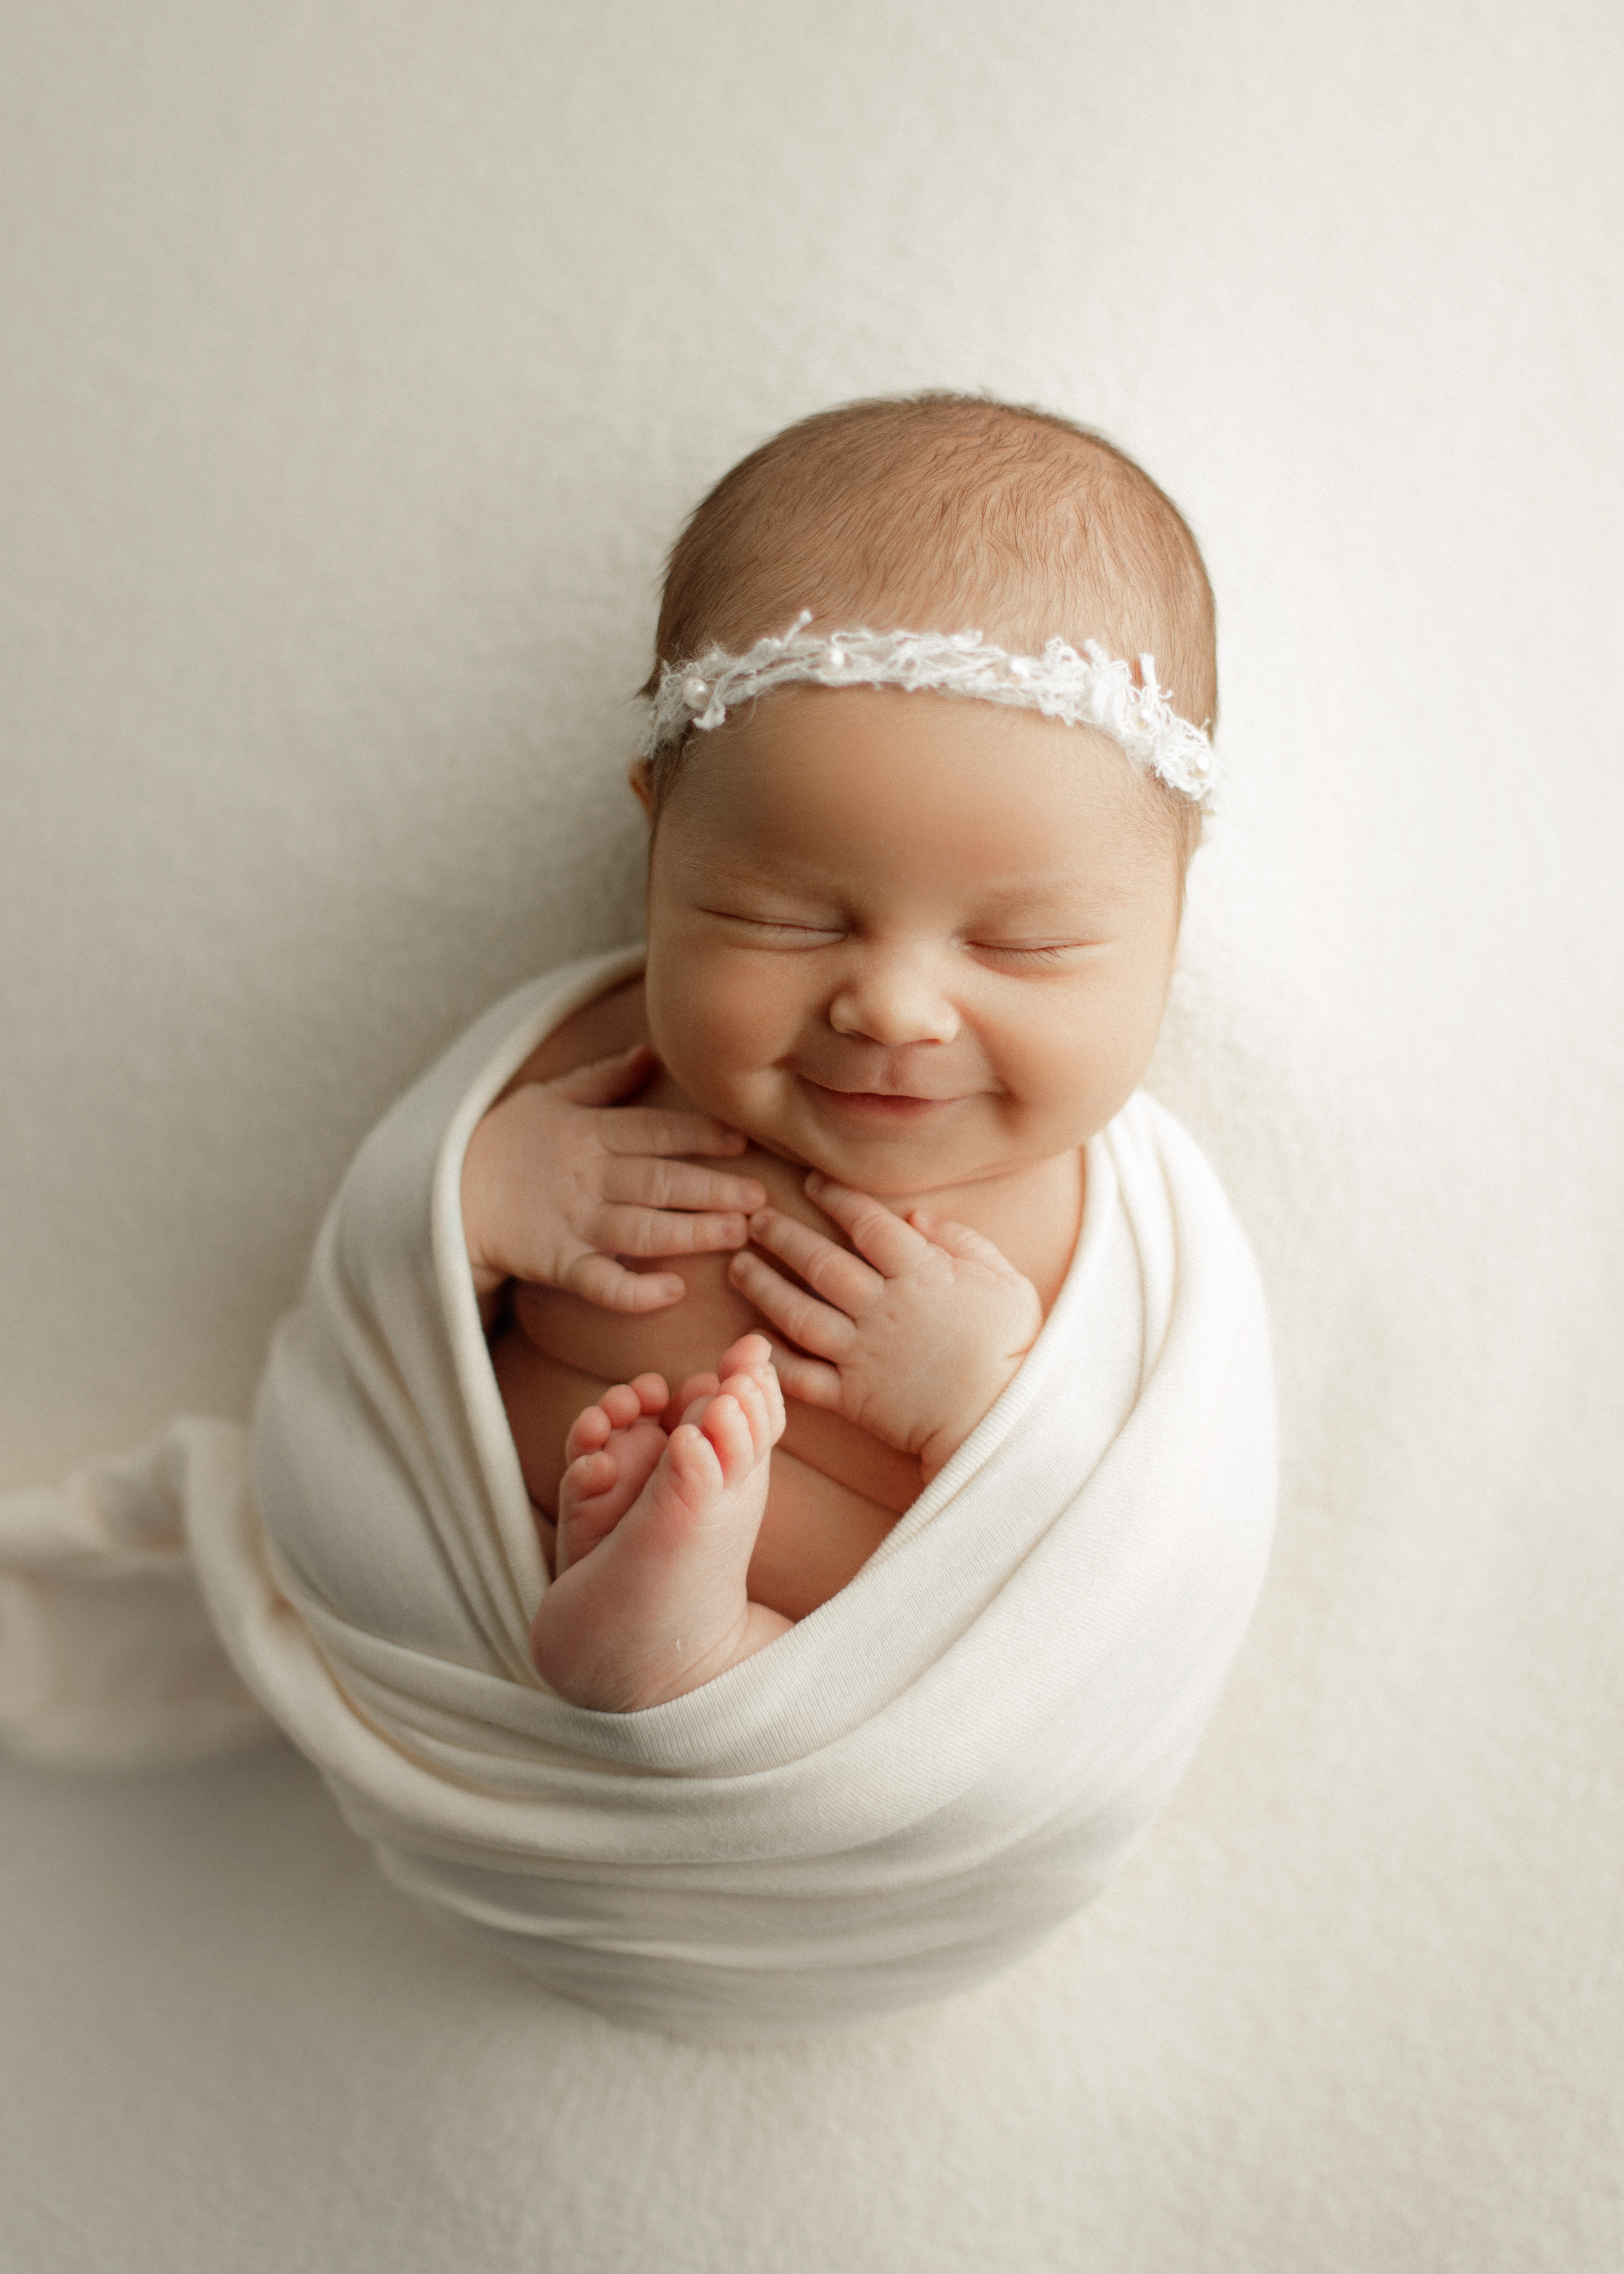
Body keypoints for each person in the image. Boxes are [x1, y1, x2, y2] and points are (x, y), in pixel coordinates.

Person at [459, 391, 1225, 1712]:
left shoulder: (1098, 1233)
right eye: (784, 917)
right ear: (658, 839)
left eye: (1023, 944)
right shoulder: (600, 1061)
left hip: (827, 1717)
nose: (892, 1009)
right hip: (464, 1605)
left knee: (856, 1659)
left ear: (1173, 900)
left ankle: (690, 1652)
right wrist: (469, 1205)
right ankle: (641, 1626)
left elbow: (1133, 1567)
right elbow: (373, 1319)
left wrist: (981, 1405)